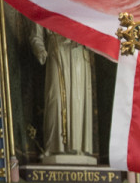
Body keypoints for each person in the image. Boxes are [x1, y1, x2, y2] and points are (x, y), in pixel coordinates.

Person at [30, 26, 94, 162]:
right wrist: (40, 49)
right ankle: (54, 147)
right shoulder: (44, 4)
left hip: (78, 52)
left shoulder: (84, 4)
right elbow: (36, 34)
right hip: (56, 49)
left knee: (77, 100)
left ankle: (78, 147)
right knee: (55, 99)